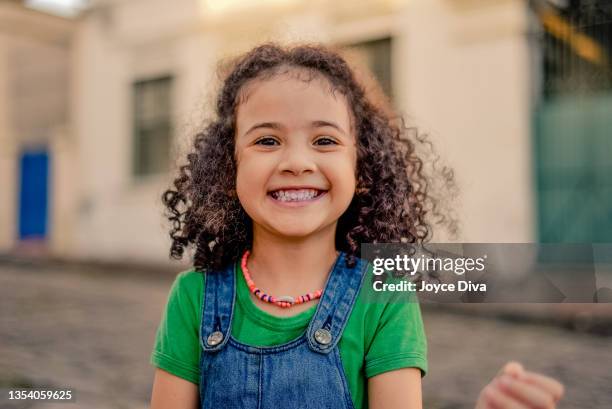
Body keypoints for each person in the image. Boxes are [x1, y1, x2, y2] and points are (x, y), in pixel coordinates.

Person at [150, 42, 564, 409]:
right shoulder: (193, 297)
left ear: (361, 169)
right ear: (229, 167)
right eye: (267, 140)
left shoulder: (385, 297)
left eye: (325, 140)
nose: (297, 162)